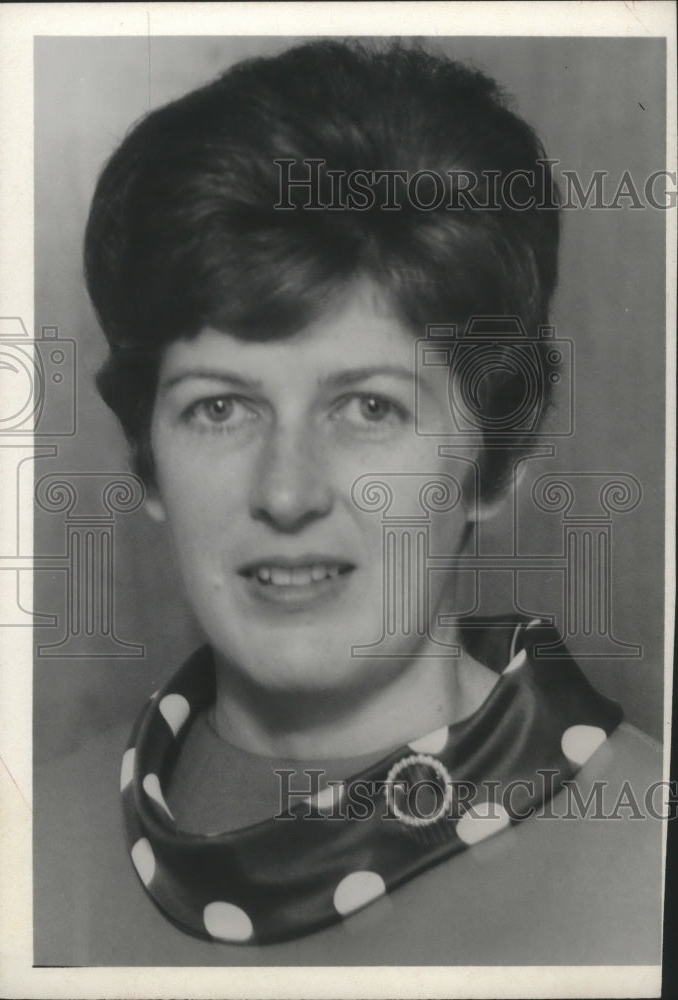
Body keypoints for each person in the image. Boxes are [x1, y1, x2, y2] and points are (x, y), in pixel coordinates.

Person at [36, 38, 663, 965]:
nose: (287, 490)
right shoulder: (26, 842)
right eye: (219, 406)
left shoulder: (649, 851)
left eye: (370, 407)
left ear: (492, 462)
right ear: (147, 460)